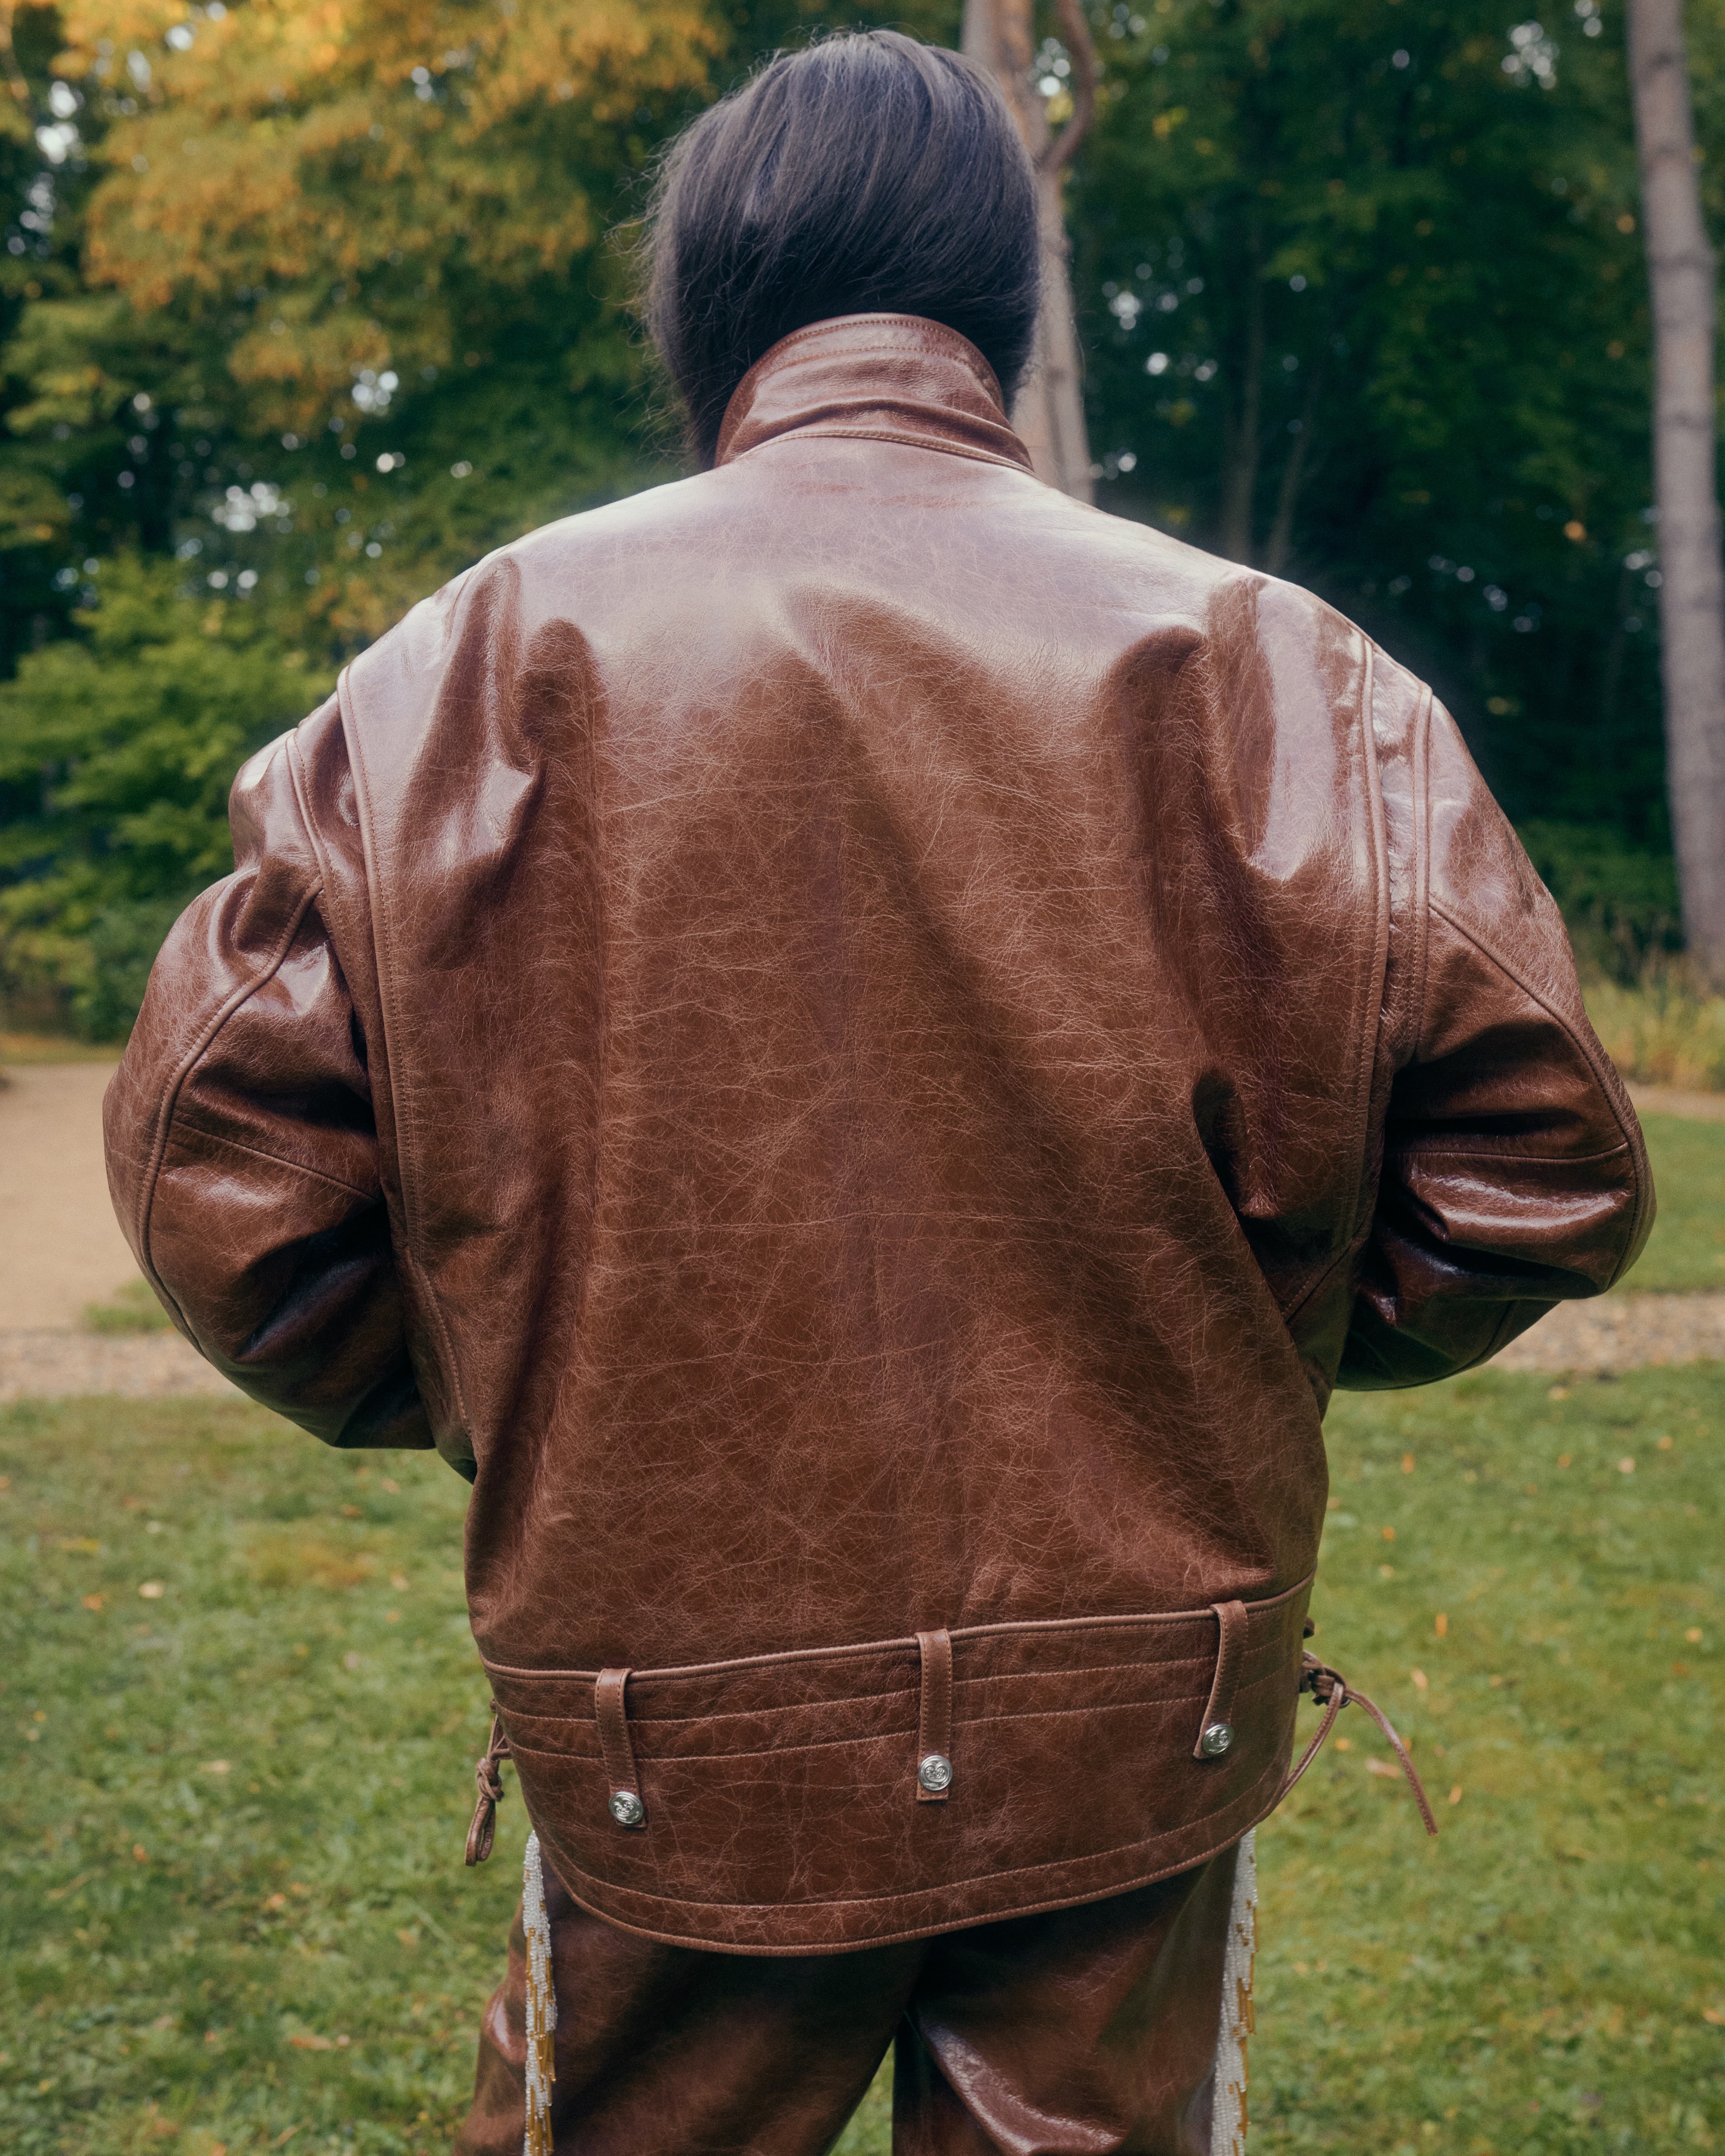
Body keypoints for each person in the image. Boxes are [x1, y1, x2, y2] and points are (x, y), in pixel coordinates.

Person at [103, 29, 1651, 2156]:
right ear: (997, 304)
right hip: (1144, 1687)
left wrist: (529, 1378)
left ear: (705, 308)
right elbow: (1543, 1154)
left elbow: (226, 1173)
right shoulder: (1288, 670)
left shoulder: (452, 672)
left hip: (660, 1704)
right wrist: (1218, 1342)